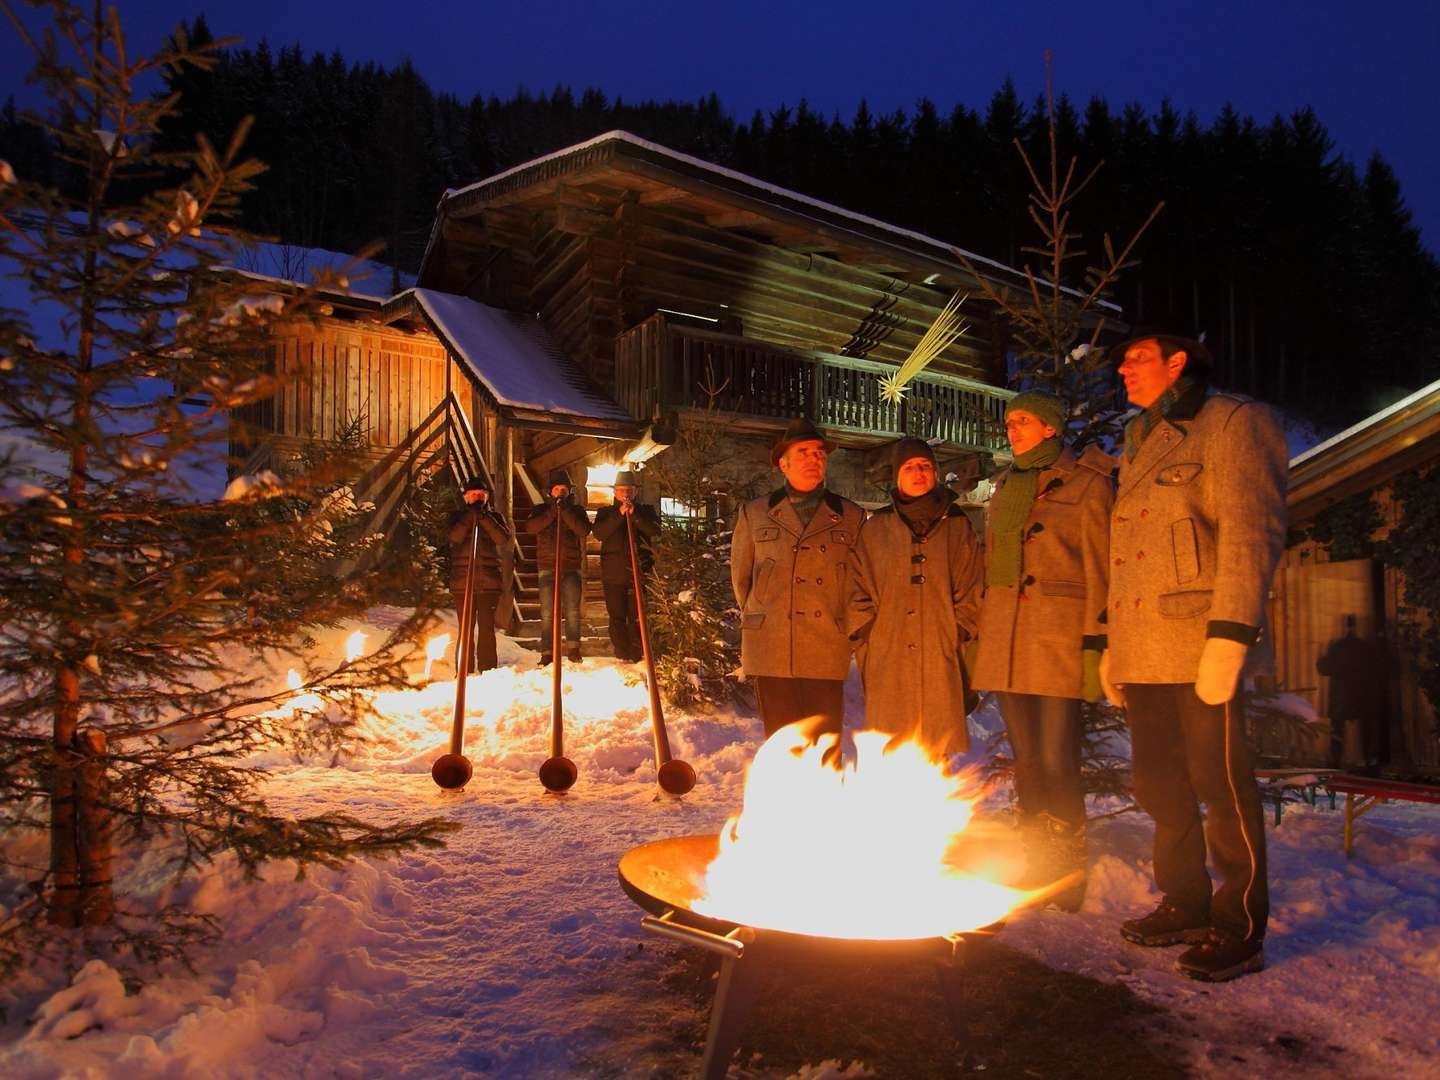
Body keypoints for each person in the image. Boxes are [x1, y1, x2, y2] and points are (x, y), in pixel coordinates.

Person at [1100, 330, 1287, 983]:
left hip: (1202, 640)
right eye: (1122, 359)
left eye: (1138, 357)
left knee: (1222, 786)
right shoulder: (1138, 437)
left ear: (1178, 362)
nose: (1123, 367)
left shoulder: (1233, 422)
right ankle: (1184, 901)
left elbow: (1250, 530)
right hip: (1144, 647)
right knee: (1157, 784)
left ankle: (1238, 928)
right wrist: (1114, 643)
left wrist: (1230, 634)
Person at [970, 392, 1114, 911]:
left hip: (1058, 638)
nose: (1013, 429)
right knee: (1029, 760)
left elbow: (1102, 564)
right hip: (1007, 640)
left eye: (1023, 421)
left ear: (1050, 428)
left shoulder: (1088, 483)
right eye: (1009, 422)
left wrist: (1098, 641)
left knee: (1057, 759)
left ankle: (1067, 868)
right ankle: (1036, 859)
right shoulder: (1007, 487)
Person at [848, 437, 983, 758]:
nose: (918, 473)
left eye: (925, 466)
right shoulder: (875, 528)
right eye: (910, 467)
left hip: (941, 651)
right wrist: (867, 633)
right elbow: (856, 585)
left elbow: (972, 584)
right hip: (887, 653)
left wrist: (959, 630)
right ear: (897, 476)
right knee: (891, 744)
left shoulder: (957, 524)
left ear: (935, 473)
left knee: (936, 745)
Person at [731, 418, 865, 740]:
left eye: (819, 453)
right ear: (783, 463)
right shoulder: (755, 513)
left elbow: (858, 584)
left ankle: (824, 792)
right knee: (781, 743)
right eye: (803, 452)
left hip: (825, 645)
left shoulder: (851, 517)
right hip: (771, 646)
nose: (814, 459)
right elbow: (742, 580)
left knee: (825, 742)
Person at [591, 470, 661, 662]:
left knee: (637, 614)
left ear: (635, 492)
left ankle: (638, 652)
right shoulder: (605, 513)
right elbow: (599, 533)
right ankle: (622, 653)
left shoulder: (646, 511)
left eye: (629, 490)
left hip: (640, 571)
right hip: (614, 573)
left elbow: (655, 530)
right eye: (622, 490)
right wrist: (619, 515)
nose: (626, 494)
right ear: (615, 493)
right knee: (617, 616)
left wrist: (635, 515)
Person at [524, 469, 590, 665]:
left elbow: (583, 530)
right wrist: (553, 511)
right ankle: (547, 652)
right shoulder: (539, 510)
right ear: (550, 491)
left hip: (570, 567)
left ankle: (573, 649)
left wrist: (565, 511)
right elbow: (531, 528)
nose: (560, 492)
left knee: (572, 610)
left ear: (569, 491)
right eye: (557, 489)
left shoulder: (577, 510)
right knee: (547, 612)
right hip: (547, 567)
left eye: (564, 489)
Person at [447, 477, 512, 674]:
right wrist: (470, 517)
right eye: (474, 494)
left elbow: (502, 538)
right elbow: (454, 537)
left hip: (488, 582)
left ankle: (487, 667)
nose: (478, 498)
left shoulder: (495, 517)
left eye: (481, 495)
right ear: (466, 497)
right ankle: (464, 668)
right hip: (463, 581)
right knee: (465, 629)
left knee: (486, 628)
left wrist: (483, 518)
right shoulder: (456, 517)